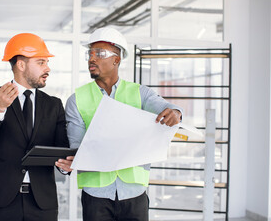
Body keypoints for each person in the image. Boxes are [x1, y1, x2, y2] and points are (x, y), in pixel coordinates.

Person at [56, 27, 183, 221]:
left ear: (116, 59)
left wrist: (176, 113)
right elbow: (76, 147)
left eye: (99, 53)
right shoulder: (77, 100)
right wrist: (70, 162)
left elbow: (168, 108)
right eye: (89, 54)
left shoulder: (140, 93)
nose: (92, 58)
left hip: (134, 193)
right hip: (96, 194)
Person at [0, 33, 69, 221]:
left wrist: (66, 166)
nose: (47, 68)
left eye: (47, 62)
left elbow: (62, 149)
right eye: (41, 62)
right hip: (2, 201)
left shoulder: (54, 105)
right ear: (21, 65)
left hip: (42, 203)